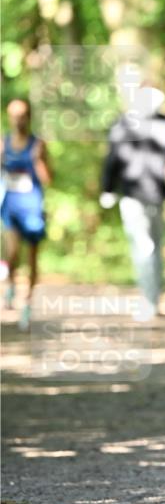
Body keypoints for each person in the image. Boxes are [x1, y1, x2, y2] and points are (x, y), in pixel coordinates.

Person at [100, 86, 165, 320]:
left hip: (139, 195)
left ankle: (150, 299)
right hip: (147, 195)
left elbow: (111, 158)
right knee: (151, 245)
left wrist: (107, 188)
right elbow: (113, 157)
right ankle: (152, 297)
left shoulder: (125, 123)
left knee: (145, 247)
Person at [1, 98, 52, 331]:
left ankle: (27, 303)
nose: (18, 120)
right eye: (14, 115)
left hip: (32, 206)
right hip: (11, 206)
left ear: (29, 117)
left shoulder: (38, 144)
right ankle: (10, 284)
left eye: (22, 115)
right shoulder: (4, 143)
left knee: (31, 258)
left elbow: (48, 179)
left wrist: (38, 162)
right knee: (11, 253)